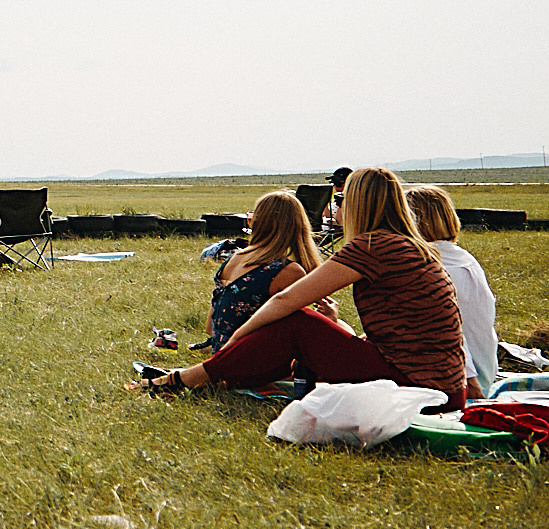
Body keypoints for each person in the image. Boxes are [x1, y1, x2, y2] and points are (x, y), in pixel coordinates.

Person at [131, 168, 466, 410]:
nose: (338, 207)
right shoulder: (414, 247)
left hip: (415, 385)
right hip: (449, 388)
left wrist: (235, 339)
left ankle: (185, 379)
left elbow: (289, 299)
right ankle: (207, 375)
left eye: (342, 199)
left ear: (360, 205)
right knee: (308, 330)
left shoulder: (371, 246)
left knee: (296, 322)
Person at [204, 191, 340, 351]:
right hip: (255, 360)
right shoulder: (287, 271)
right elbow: (305, 334)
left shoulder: (234, 259)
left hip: (221, 357)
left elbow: (210, 327)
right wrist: (330, 319)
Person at [406, 184, 498, 399]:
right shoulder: (463, 258)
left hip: (463, 380)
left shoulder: (432, 266)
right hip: (486, 366)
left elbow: (447, 332)